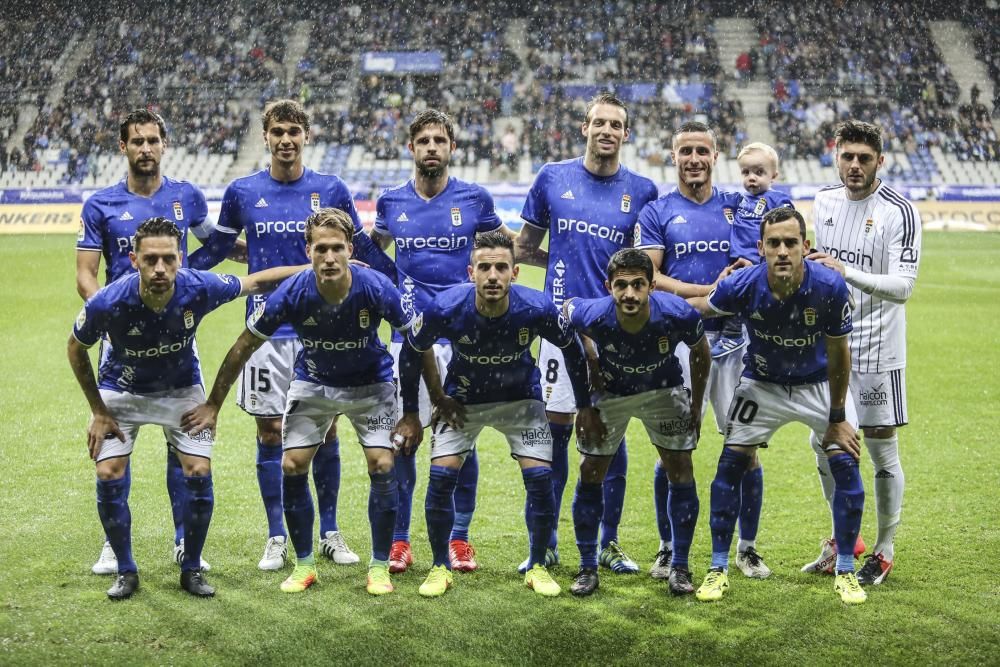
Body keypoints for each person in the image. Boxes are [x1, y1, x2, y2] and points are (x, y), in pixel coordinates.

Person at [188, 99, 395, 571]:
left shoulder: (331, 187)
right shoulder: (243, 191)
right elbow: (220, 247)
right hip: (267, 327)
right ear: (265, 136)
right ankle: (277, 535)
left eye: (294, 131)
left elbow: (360, 247)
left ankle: (330, 532)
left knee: (327, 431)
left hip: (325, 325)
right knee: (270, 435)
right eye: (278, 131)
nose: (286, 139)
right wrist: (184, 278)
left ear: (307, 136)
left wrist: (399, 282)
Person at [67, 217, 303, 600]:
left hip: (181, 389)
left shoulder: (198, 286)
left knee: (198, 472)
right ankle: (126, 570)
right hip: (121, 390)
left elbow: (257, 281)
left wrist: (310, 268)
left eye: (168, 259)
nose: (160, 269)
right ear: (134, 260)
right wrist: (98, 410)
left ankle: (191, 567)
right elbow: (75, 348)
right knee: (109, 473)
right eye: (150, 260)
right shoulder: (108, 302)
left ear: (180, 259)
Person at [183, 209, 410, 595]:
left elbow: (415, 343)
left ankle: (378, 566)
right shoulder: (292, 292)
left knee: (383, 463)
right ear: (309, 251)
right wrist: (212, 405)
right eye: (321, 248)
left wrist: (416, 413)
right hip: (314, 381)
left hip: (371, 384)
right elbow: (244, 345)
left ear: (350, 248)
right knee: (291, 463)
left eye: (338, 248)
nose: (330, 257)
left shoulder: (375, 287)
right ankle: (304, 563)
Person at [75, 108, 243, 576]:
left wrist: (263, 255)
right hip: (122, 336)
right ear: (123, 147)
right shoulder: (100, 205)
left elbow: (213, 245)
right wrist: (106, 314)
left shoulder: (186, 196)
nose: (145, 148)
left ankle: (182, 540)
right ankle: (114, 547)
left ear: (164, 144)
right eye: (137, 141)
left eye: (152, 140)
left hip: (175, 335)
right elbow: (86, 274)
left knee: (181, 445)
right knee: (115, 444)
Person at [396, 231, 602, 598]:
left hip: (521, 400)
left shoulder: (536, 308)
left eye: (501, 268)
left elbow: (572, 350)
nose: (493, 276)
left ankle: (537, 564)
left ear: (515, 273)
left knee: (540, 479)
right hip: (463, 402)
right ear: (470, 272)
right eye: (485, 268)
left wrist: (584, 406)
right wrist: (420, 407)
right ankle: (440, 566)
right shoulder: (445, 307)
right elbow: (412, 351)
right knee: (441, 478)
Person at [687, 207, 867, 605]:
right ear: (760, 248)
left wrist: (837, 419)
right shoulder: (744, 284)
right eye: (774, 243)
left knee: (846, 460)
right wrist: (654, 304)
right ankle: (718, 567)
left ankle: (846, 570)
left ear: (806, 246)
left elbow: (840, 355)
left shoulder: (830, 287)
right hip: (762, 384)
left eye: (790, 243)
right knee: (730, 464)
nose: (782, 251)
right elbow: (700, 307)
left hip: (820, 385)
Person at [517, 93, 659, 575]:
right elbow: (525, 248)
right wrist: (558, 269)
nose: (606, 131)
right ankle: (548, 539)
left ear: (626, 134)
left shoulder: (642, 191)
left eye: (615, 124)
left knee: (611, 441)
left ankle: (609, 541)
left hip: (617, 333)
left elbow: (645, 266)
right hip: (559, 331)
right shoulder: (552, 177)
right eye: (598, 122)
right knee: (554, 437)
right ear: (584, 127)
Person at [370, 109, 513, 575]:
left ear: (452, 148)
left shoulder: (475, 199)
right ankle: (399, 540)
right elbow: (372, 255)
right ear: (410, 148)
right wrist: (394, 292)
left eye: (440, 140)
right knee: (404, 440)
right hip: (405, 337)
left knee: (459, 441)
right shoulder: (391, 202)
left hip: (463, 338)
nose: (432, 147)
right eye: (423, 140)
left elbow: (504, 253)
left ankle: (459, 538)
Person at [634, 121, 754, 581]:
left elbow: (751, 264)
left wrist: (723, 295)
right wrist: (711, 292)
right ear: (673, 156)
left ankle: (747, 547)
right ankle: (668, 548)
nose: (694, 160)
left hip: (736, 342)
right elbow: (653, 277)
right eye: (686, 151)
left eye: (702, 151)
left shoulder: (738, 208)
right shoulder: (657, 211)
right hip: (677, 345)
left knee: (744, 447)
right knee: (672, 449)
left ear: (716, 155)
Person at [804, 120, 921, 586]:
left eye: (864, 158)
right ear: (836, 156)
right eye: (847, 156)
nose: (854, 166)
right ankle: (843, 538)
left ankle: (884, 548)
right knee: (823, 440)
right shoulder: (824, 201)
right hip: (832, 347)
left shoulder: (900, 211)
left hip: (877, 349)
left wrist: (845, 270)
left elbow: (903, 286)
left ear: (880, 161)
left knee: (879, 446)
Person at [563, 249, 710, 597]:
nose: (629, 294)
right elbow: (569, 312)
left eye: (638, 285)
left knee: (681, 469)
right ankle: (586, 567)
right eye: (621, 285)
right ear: (608, 286)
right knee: (590, 472)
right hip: (612, 393)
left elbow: (701, 350)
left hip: (664, 391)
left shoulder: (677, 313)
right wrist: (591, 373)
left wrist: (697, 406)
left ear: (652, 285)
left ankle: (680, 567)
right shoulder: (594, 313)